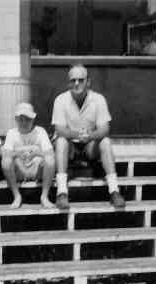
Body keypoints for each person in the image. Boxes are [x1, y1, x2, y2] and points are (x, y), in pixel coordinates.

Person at [51, 64, 126, 210]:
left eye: (81, 80)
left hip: (90, 146)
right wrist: (79, 135)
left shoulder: (98, 99)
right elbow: (59, 129)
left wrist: (90, 136)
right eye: (73, 80)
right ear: (68, 83)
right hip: (70, 147)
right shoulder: (60, 99)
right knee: (60, 141)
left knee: (105, 141)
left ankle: (114, 191)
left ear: (88, 82)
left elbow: (105, 129)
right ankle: (61, 193)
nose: (76, 83)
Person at [1, 102, 55, 209]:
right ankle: (17, 196)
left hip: (37, 170)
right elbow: (5, 154)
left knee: (50, 160)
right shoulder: (12, 133)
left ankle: (44, 197)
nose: (24, 122)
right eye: (21, 119)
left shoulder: (40, 131)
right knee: (6, 161)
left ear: (33, 119)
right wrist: (17, 153)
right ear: (16, 119)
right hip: (20, 171)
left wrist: (36, 153)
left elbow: (50, 153)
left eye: (28, 119)